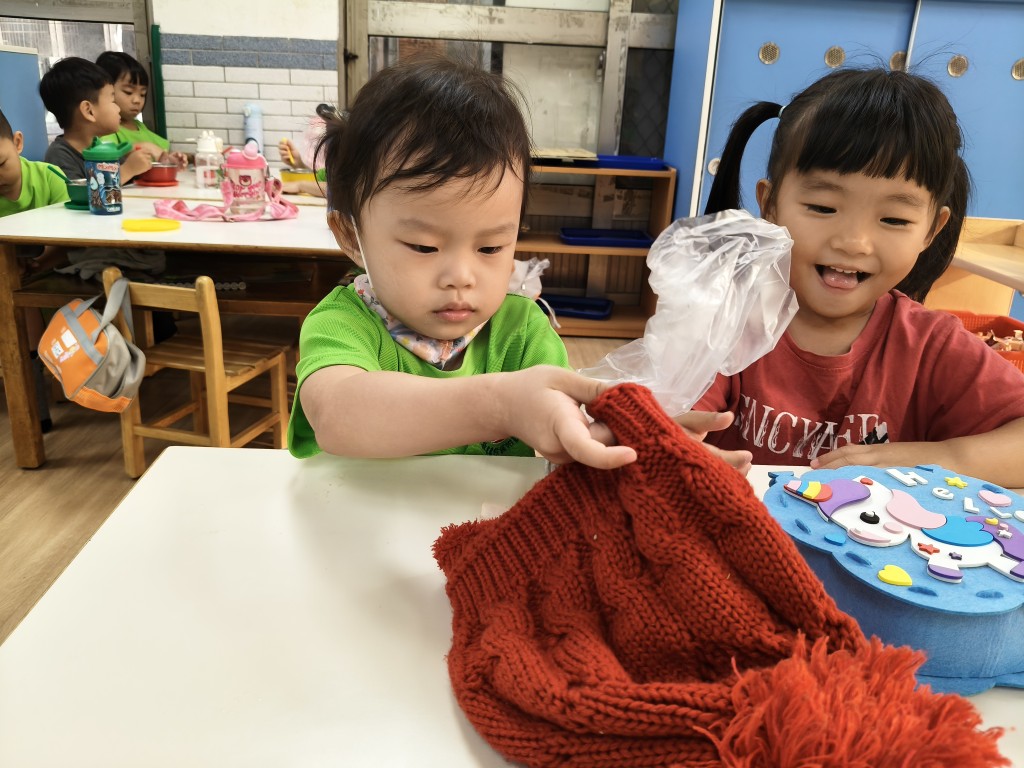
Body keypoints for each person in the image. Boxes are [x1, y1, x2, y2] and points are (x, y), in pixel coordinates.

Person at [287, 54, 636, 470]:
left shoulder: (521, 332)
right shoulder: (343, 324)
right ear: (351, 236)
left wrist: (628, 436)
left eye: (490, 248)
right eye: (423, 247)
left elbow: (568, 426)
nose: (461, 277)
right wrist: (501, 406)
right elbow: (337, 417)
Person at [691, 66, 1024, 488]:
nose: (853, 242)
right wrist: (670, 441)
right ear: (770, 205)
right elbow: (668, 418)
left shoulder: (931, 346)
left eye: (893, 219)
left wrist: (936, 458)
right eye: (823, 208)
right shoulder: (728, 318)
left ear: (931, 230)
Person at [0, 107, 70, 431]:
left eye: (1, 164)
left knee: (23, 301)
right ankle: (32, 404)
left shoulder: (49, 178)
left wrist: (40, 262)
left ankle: (37, 400)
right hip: (9, 278)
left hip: (55, 270)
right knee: (17, 300)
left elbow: (72, 237)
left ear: (18, 143)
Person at [38, 56, 153, 182]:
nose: (118, 109)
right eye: (112, 101)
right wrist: (128, 170)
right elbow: (80, 192)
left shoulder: (100, 148)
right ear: (89, 111)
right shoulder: (60, 155)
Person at [95, 51, 189, 169]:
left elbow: (162, 152)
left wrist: (172, 158)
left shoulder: (140, 127)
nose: (137, 100)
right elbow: (104, 153)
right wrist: (143, 147)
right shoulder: (106, 128)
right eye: (128, 92)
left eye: (142, 94)